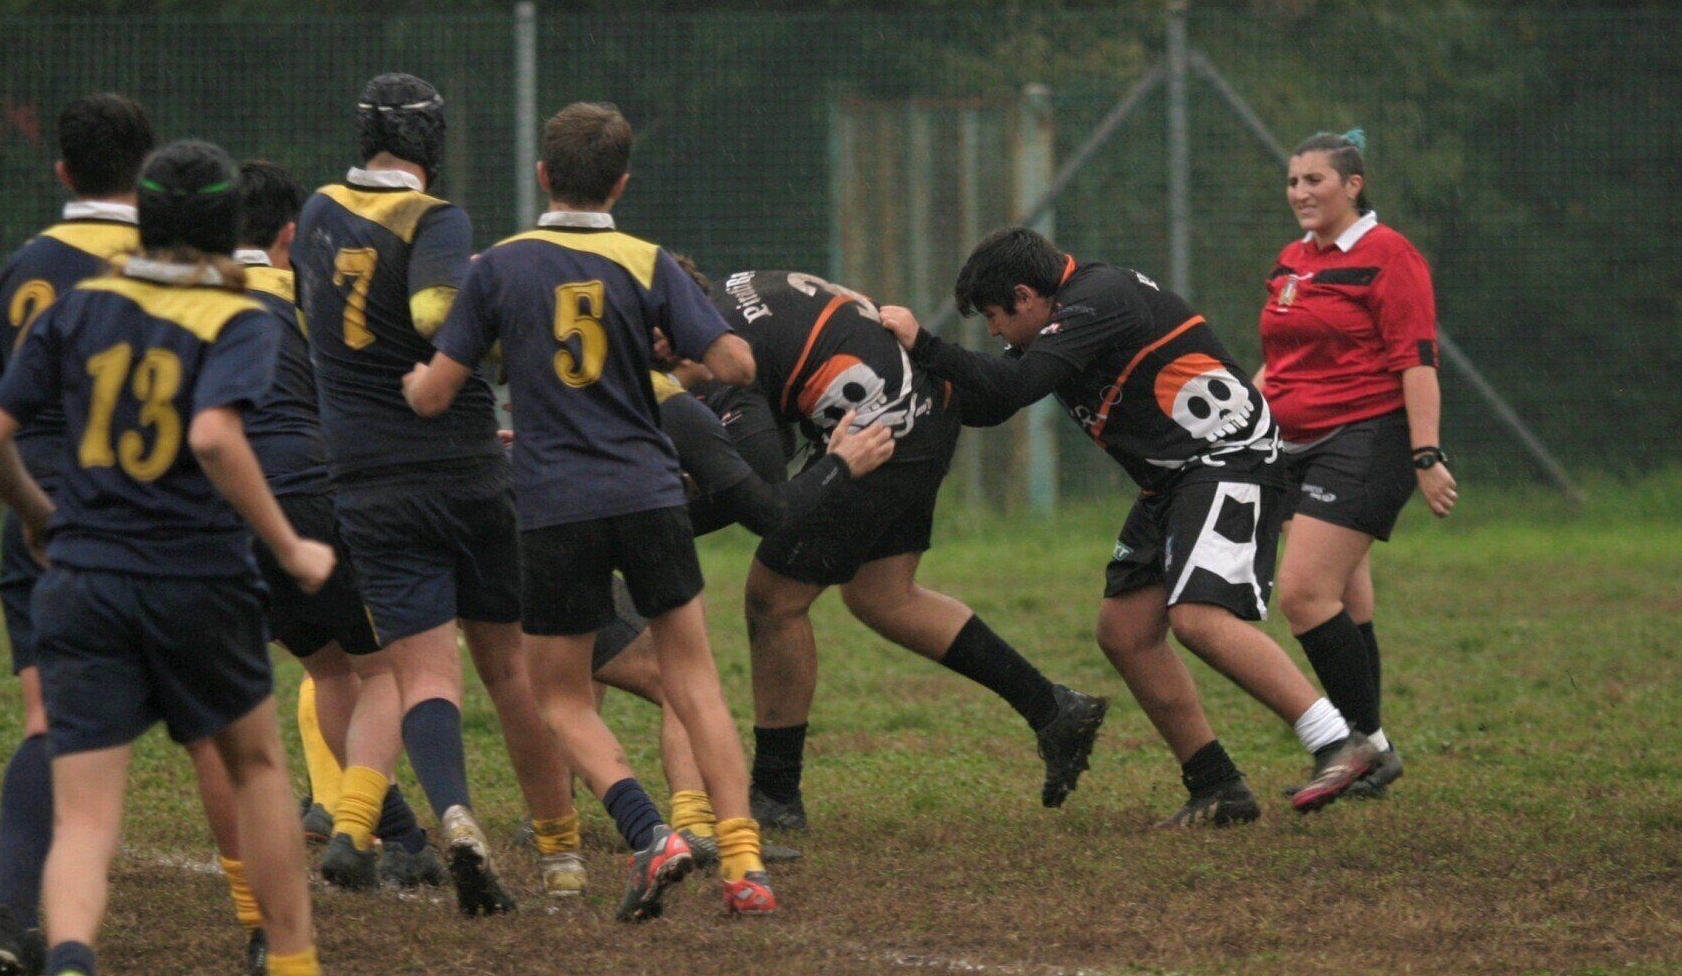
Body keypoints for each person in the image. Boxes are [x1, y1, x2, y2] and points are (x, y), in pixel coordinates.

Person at [0, 140, 352, 976]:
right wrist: (289, 543)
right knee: (256, 770)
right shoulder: (237, 313)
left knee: (87, 812)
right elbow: (214, 437)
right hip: (197, 579)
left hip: (84, 582)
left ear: (143, 219)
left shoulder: (79, 306)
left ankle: (70, 973)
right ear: (227, 224)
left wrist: (39, 516)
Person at [406, 100, 775, 920]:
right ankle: (745, 866)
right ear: (621, 184)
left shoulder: (500, 267)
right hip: (649, 493)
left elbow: (434, 394)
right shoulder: (648, 262)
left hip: (555, 506)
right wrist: (681, 346)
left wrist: (411, 380)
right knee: (696, 683)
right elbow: (737, 364)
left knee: (561, 697)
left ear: (543, 174)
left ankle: (649, 830)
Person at [880, 227, 1380, 823]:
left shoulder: (1099, 296)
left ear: (1025, 296)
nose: (992, 331)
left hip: (1227, 460)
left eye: (993, 316)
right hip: (1173, 479)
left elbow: (1016, 383)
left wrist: (925, 342)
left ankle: (1338, 741)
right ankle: (1217, 785)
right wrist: (905, 374)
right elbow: (993, 401)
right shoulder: (1066, 316)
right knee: (1125, 632)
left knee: (1198, 618)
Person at [686, 264, 1108, 830]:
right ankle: (1054, 710)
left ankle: (776, 796)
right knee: (883, 595)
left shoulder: (712, 362)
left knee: (774, 599)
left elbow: (760, 492)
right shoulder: (723, 295)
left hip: (884, 433)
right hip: (922, 407)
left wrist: (654, 524)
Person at [293, 71, 575, 907]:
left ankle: (453, 813)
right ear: (432, 141)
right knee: (510, 670)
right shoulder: (435, 218)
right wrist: (498, 310)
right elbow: (431, 315)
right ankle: (560, 851)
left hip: (366, 478)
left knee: (421, 675)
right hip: (461, 464)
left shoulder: (315, 212)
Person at [0, 93, 150, 976]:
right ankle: (267, 931)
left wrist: (31, 503)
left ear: (63, 170)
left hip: (38, 511)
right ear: (145, 171)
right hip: (140, 514)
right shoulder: (167, 266)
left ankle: (11, 913)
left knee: (47, 721)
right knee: (221, 728)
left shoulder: (25, 264)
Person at [578, 366, 895, 866]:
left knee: (563, 683)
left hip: (524, 531)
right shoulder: (670, 401)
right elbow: (766, 510)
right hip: (539, 545)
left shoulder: (581, 380)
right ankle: (696, 829)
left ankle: (551, 822)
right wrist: (838, 464)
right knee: (679, 679)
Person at [232, 159, 444, 890]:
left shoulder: (192, 300)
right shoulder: (302, 296)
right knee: (385, 668)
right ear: (291, 235)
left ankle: (404, 838)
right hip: (308, 492)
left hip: (228, 513)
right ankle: (355, 832)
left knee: (328, 669)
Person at [1256, 129, 1456, 798]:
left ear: (1353, 185)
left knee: (1302, 594)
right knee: (1341, 594)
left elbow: (1417, 362)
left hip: (1366, 439)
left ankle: (1361, 744)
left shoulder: (1389, 254)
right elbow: (1282, 363)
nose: (1300, 192)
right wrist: (1242, 418)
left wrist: (1426, 455)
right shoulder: (1293, 258)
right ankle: (1376, 747)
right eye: (1293, 181)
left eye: (1314, 180)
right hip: (1293, 447)